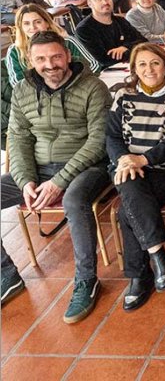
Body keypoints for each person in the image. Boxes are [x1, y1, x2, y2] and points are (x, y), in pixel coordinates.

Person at [0, 31, 112, 321]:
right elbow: (18, 137)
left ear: (67, 55)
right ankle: (7, 273)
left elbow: (98, 142)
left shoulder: (94, 87)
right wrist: (25, 180)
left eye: (56, 57)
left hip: (88, 167)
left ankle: (87, 280)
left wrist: (59, 181)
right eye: (41, 59)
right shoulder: (23, 90)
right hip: (38, 168)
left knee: (74, 200)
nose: (50, 64)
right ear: (30, 60)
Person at [106, 43, 165, 311]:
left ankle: (139, 276)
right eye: (142, 64)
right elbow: (111, 135)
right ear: (133, 69)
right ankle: (157, 258)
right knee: (131, 189)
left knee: (126, 212)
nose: (149, 69)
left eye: (155, 63)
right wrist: (124, 159)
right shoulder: (122, 94)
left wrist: (143, 159)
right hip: (127, 166)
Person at [5, 4, 99, 86]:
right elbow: (17, 83)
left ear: (47, 23)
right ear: (20, 27)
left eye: (38, 22)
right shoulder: (14, 51)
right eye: (26, 24)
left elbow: (93, 66)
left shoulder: (67, 42)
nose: (32, 27)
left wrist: (71, 86)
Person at [75, 0, 147, 69]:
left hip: (132, 66)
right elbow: (105, 60)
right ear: (90, 3)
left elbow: (143, 41)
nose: (105, 2)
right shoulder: (84, 29)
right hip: (106, 74)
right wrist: (132, 49)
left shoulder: (120, 21)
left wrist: (126, 47)